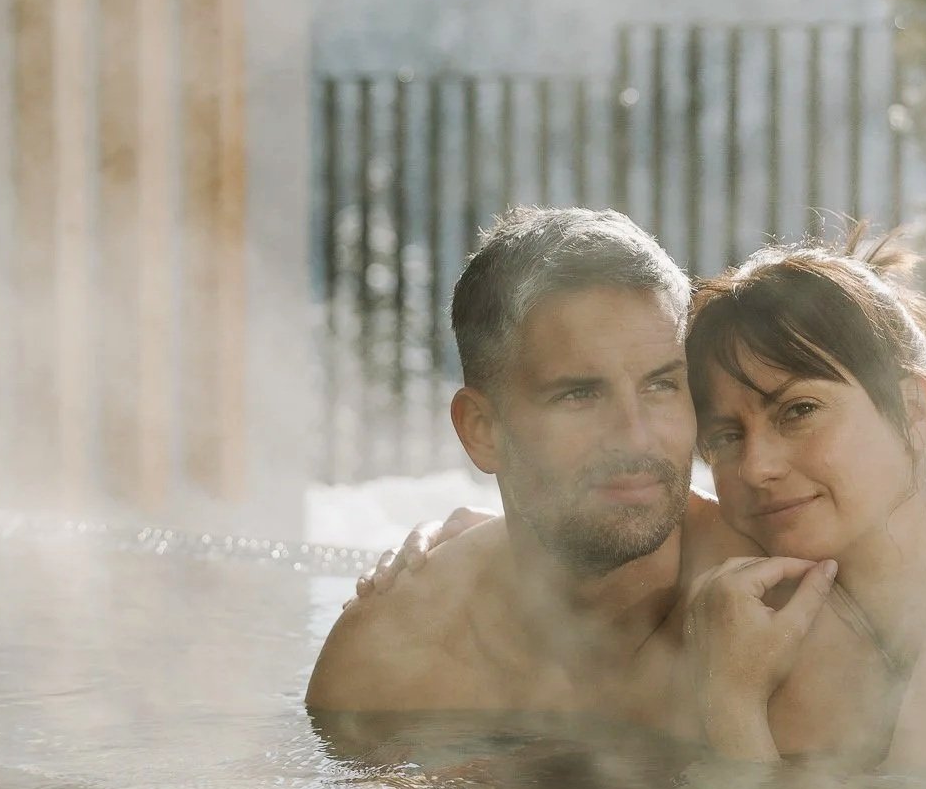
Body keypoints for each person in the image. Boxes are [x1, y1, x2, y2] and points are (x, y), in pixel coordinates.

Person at [322, 212, 926, 769]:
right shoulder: (409, 629)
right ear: (482, 430)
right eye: (726, 430)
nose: (756, 466)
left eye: (799, 413)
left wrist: (727, 708)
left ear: (917, 409)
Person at [305, 206, 830, 736]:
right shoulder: (389, 657)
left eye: (660, 385)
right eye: (579, 394)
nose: (635, 436)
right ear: (482, 430)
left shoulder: (785, 619)